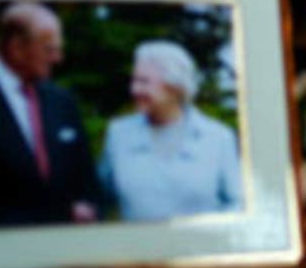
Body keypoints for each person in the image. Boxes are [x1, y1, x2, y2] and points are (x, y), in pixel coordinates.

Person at [0, 2, 101, 226]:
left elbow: (87, 181)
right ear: (16, 47)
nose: (58, 58)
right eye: (49, 49)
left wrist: (89, 207)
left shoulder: (62, 101)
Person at [99, 40, 243, 221]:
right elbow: (99, 197)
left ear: (174, 88)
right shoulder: (118, 134)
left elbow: (237, 204)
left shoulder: (219, 138)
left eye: (144, 82)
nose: (134, 89)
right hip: (136, 248)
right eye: (134, 80)